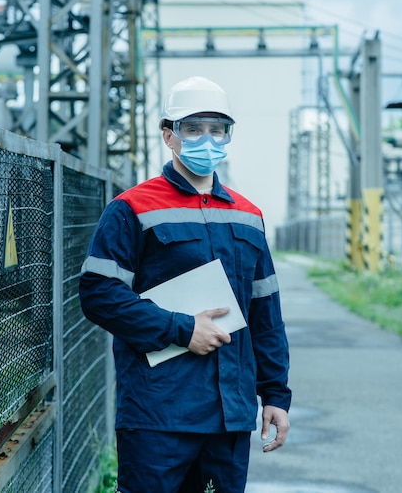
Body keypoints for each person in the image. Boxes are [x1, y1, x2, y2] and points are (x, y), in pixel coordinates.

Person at [79, 76, 291, 493]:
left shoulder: (249, 216)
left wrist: (276, 396)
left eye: (217, 129)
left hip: (230, 412)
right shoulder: (131, 209)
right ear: (169, 135)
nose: (206, 139)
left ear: (228, 135)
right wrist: (182, 328)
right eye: (193, 128)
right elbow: (99, 295)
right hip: (158, 413)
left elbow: (266, 315)